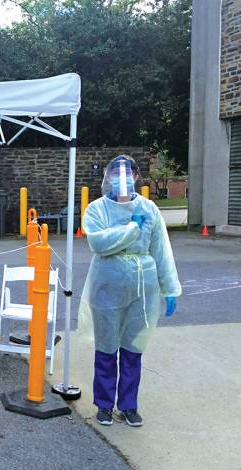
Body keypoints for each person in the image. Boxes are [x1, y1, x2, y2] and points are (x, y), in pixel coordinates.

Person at [79, 155, 181, 427]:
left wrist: (169, 287)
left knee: (133, 348)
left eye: (127, 175)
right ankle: (103, 404)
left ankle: (128, 405)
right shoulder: (97, 209)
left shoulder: (149, 209)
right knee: (106, 347)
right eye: (115, 174)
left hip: (142, 287)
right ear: (107, 177)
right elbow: (99, 243)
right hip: (107, 287)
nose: (121, 180)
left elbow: (161, 249)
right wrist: (132, 228)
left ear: (136, 177)